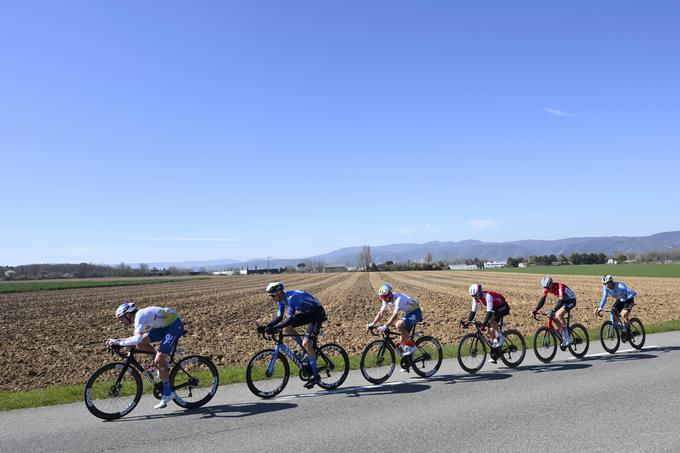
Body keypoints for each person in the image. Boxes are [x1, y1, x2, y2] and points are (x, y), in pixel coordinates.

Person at [106, 302, 185, 409]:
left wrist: (118, 342)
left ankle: (168, 393)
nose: (121, 321)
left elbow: (136, 338)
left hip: (174, 326)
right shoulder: (138, 317)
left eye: (121, 318)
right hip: (163, 326)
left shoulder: (139, 316)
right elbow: (137, 340)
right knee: (140, 344)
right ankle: (162, 364)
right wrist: (117, 341)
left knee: (158, 360)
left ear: (128, 314)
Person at [260, 282, 327, 389]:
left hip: (317, 313)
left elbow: (290, 318)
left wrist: (275, 328)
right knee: (288, 328)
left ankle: (315, 375)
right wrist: (266, 326)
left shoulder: (291, 298)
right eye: (270, 296)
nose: (271, 298)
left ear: (279, 293)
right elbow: (279, 318)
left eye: (272, 295)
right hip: (307, 313)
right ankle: (304, 350)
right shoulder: (280, 301)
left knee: (306, 343)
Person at [366, 284, 422, 356]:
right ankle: (408, 363)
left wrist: (385, 326)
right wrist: (372, 324)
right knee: (402, 340)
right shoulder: (386, 300)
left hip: (416, 312)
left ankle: (411, 346)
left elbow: (395, 315)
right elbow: (381, 313)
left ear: (390, 294)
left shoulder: (398, 299)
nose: (383, 298)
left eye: (385, 296)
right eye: (381, 297)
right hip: (408, 313)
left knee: (398, 324)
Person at [463, 284, 510, 352]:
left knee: (491, 320)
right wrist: (468, 322)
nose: (475, 297)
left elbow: (489, 312)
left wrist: (483, 325)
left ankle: (500, 336)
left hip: (503, 306)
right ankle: (496, 350)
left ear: (480, 293)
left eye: (476, 295)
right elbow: (473, 311)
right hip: (495, 308)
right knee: (489, 326)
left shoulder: (488, 296)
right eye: (473, 296)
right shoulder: (475, 298)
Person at [531, 276, 577, 346]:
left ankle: (567, 338)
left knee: (558, 315)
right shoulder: (546, 288)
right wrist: (535, 309)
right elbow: (542, 300)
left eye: (548, 288)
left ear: (551, 284)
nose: (547, 290)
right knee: (553, 315)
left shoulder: (560, 287)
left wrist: (553, 310)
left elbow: (561, 301)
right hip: (564, 301)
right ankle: (562, 331)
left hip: (571, 300)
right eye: (545, 288)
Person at [595, 274, 637, 341]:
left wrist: (626, 298)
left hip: (628, 299)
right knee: (613, 312)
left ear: (611, 281)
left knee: (623, 315)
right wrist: (600, 307)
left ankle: (629, 332)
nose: (606, 285)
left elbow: (634, 293)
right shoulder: (606, 288)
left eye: (608, 283)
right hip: (620, 300)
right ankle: (623, 328)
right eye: (604, 284)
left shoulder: (620, 286)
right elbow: (604, 297)